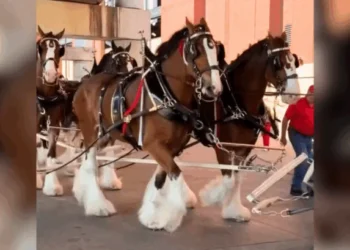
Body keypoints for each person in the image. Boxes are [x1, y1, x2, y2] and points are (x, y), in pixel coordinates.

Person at [280, 85, 314, 196]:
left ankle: (307, 185)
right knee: (303, 159)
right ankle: (296, 187)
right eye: (311, 94)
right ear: (308, 92)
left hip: (310, 136)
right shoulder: (297, 103)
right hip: (296, 134)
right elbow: (285, 120)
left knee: (311, 161)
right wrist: (283, 137)